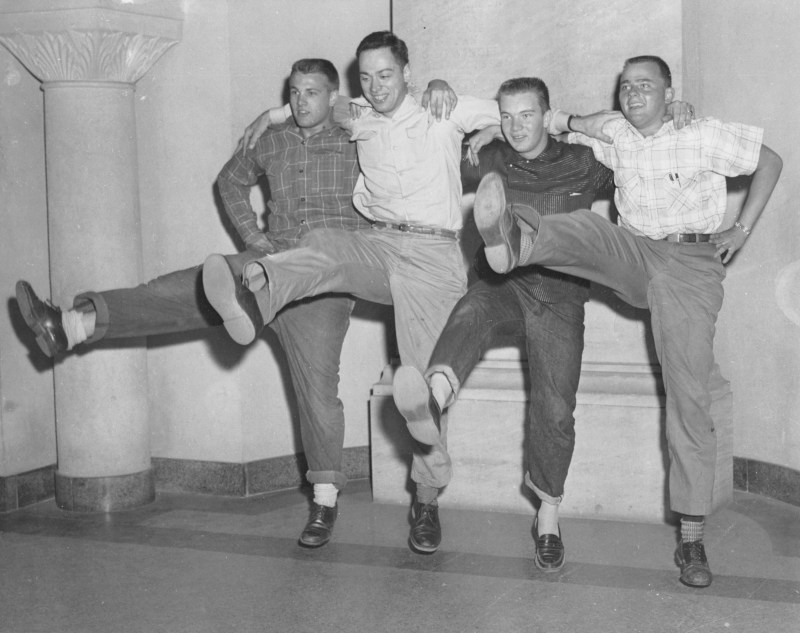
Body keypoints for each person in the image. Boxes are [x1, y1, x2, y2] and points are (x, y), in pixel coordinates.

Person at [15, 58, 375, 549]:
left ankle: (325, 502)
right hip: (270, 260)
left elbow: (385, 109)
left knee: (317, 392)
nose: (299, 101)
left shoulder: (357, 133)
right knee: (182, 288)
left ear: (332, 96)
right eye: (293, 92)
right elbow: (229, 181)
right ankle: (71, 326)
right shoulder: (272, 139)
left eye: (312, 92)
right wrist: (254, 236)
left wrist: (274, 112)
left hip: (324, 279)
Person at [471, 55, 782, 587]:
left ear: (669, 93)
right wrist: (492, 129)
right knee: (589, 228)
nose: (634, 93)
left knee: (688, 394)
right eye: (627, 86)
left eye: (646, 85)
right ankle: (517, 240)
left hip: (690, 265)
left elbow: (769, 160)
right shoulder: (613, 132)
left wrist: (742, 229)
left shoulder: (700, 132)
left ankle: (692, 537)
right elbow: (549, 124)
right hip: (635, 252)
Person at [201, 30, 504, 554]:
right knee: (323, 241)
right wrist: (270, 115)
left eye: (386, 75)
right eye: (366, 77)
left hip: (433, 256)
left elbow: (521, 116)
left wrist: (489, 125)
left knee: (422, 391)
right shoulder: (357, 113)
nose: (376, 86)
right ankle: (257, 296)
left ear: (407, 73)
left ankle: (426, 501)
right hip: (380, 243)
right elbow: (311, 104)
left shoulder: (443, 108)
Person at [391, 76, 615, 572]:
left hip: (559, 294)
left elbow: (634, 140)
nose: (515, 127)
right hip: (503, 281)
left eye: (527, 115)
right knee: (471, 309)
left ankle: (548, 517)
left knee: (555, 409)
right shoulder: (492, 156)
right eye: (506, 117)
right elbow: (427, 146)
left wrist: (579, 123)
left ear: (547, 115)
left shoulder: (584, 162)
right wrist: (435, 87)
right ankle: (433, 396)